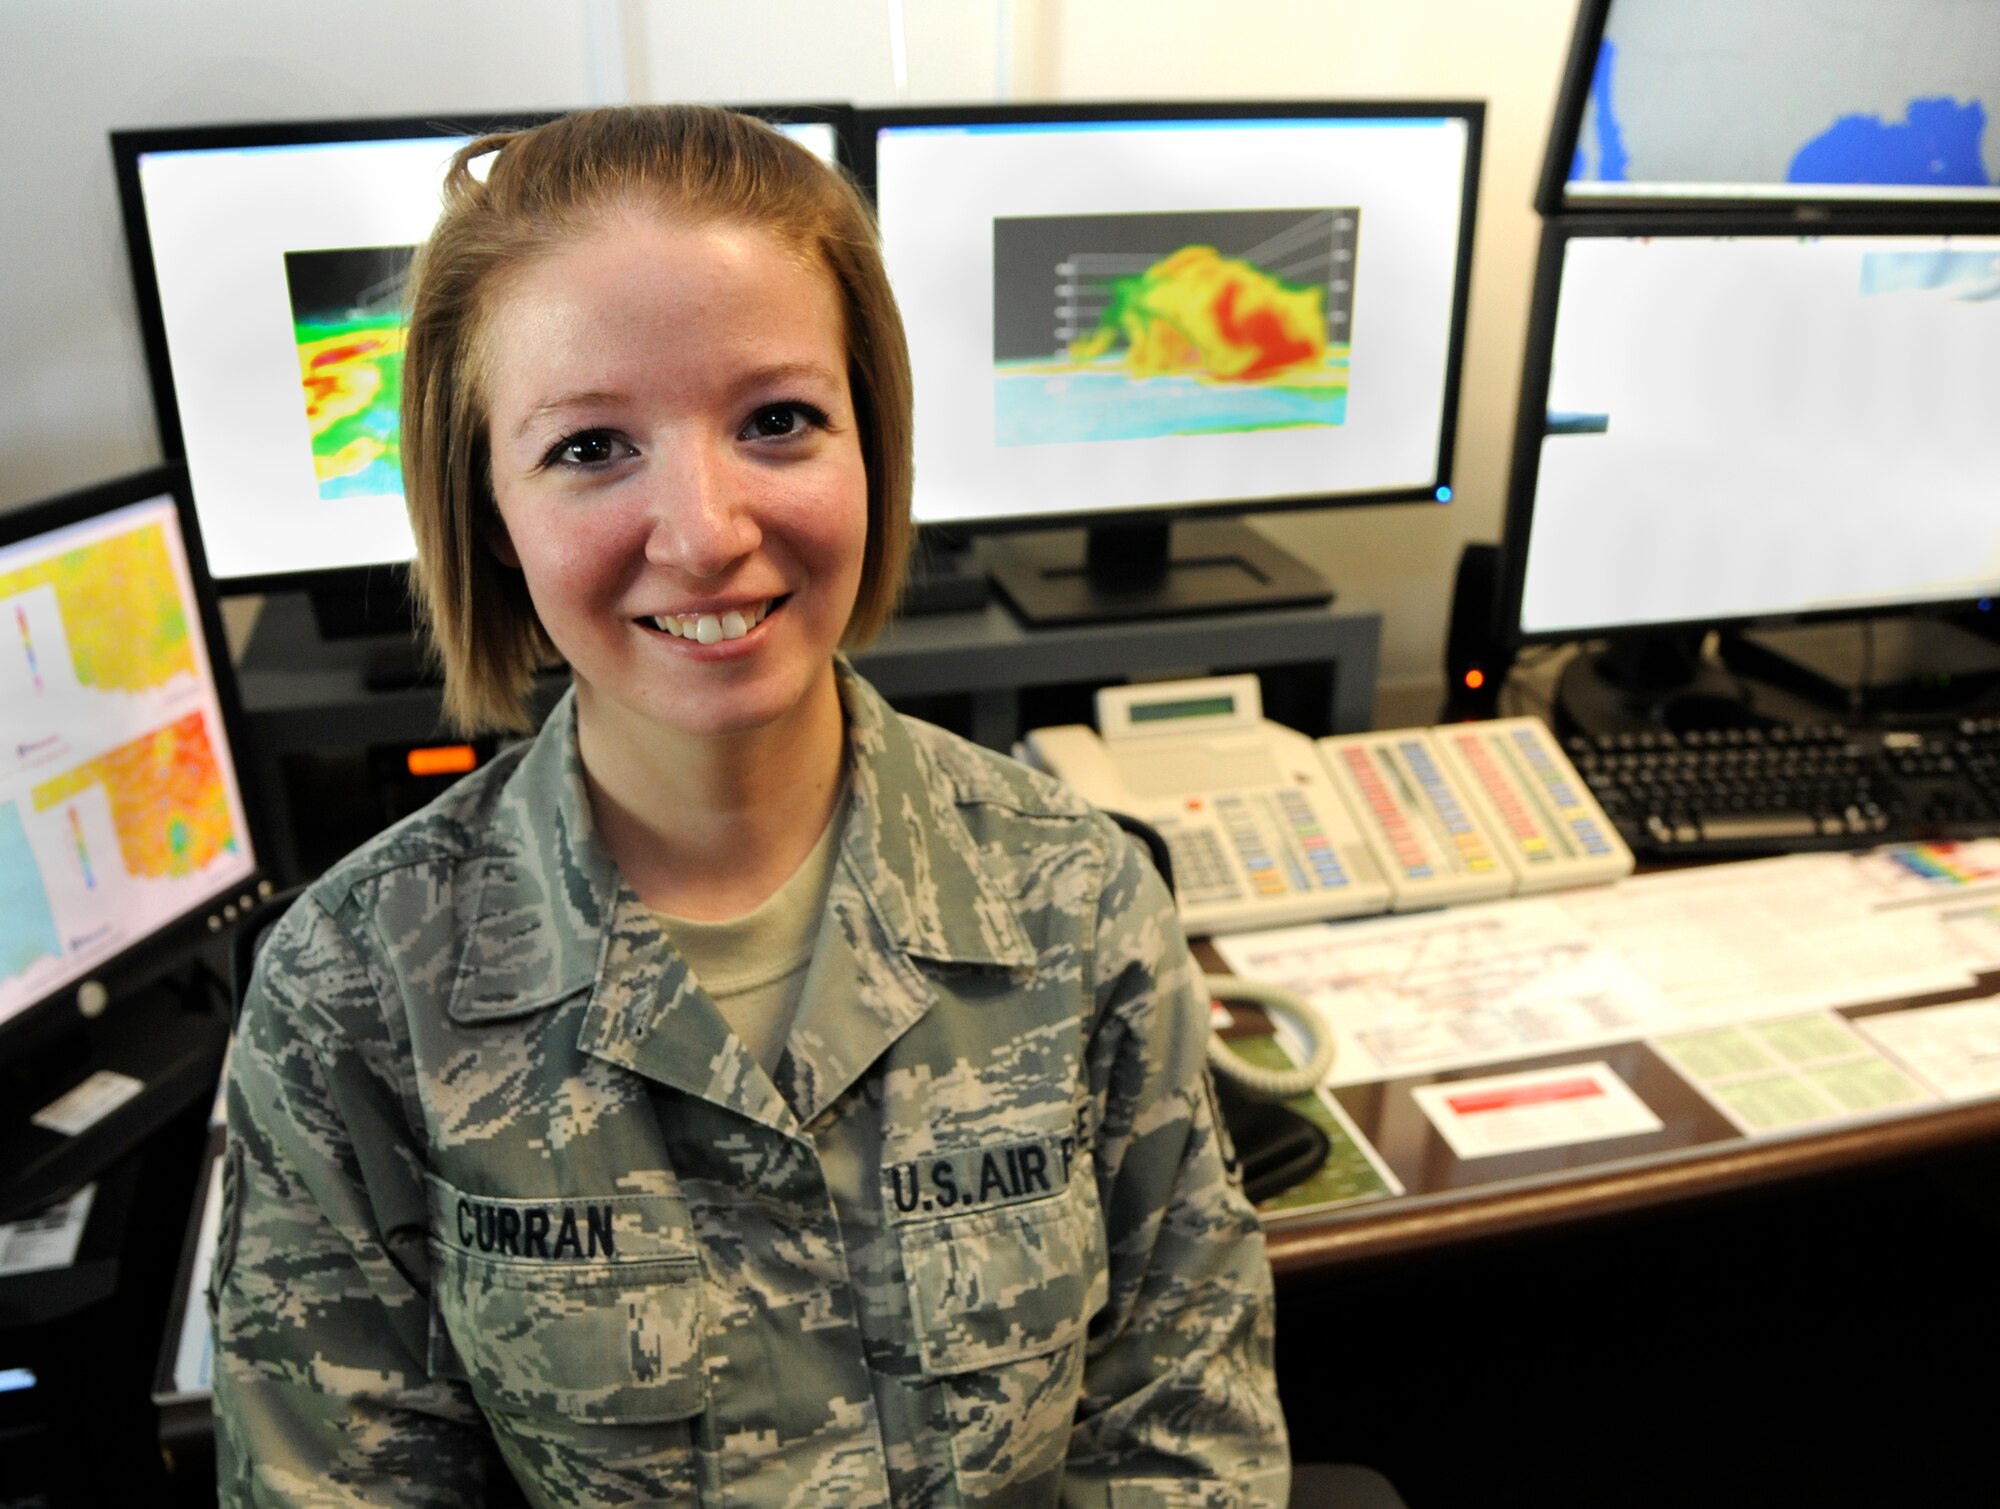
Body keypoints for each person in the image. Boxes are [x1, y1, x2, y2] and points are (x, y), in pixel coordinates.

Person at [209, 103, 1290, 1508]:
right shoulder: (351, 993)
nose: (708, 532)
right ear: (490, 509)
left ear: (871, 445)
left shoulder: (1078, 900)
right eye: (591, 447)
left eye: (778, 421)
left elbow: (1189, 1439)